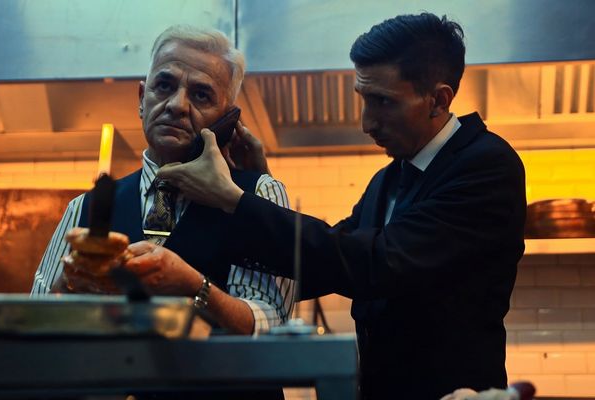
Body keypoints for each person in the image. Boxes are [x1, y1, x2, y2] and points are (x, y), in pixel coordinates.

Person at [156, 13, 527, 400]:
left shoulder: (485, 166)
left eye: (383, 101)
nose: (367, 122)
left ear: (438, 100)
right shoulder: (388, 179)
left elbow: (375, 263)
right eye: (364, 99)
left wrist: (235, 200)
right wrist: (260, 189)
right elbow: (327, 263)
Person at [31, 24, 294, 383]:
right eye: (164, 86)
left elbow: (272, 324)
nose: (177, 105)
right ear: (142, 98)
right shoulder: (84, 208)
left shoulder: (258, 195)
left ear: (228, 119)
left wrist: (196, 287)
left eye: (201, 95)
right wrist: (68, 287)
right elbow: (35, 326)